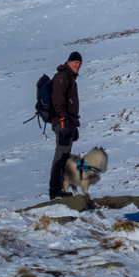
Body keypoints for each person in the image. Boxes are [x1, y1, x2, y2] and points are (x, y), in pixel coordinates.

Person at [48, 51, 82, 199]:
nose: (78, 65)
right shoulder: (62, 77)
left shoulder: (69, 78)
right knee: (60, 157)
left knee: (64, 157)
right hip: (63, 123)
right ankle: (54, 191)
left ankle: (60, 190)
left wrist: (74, 124)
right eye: (75, 62)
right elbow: (59, 101)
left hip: (68, 123)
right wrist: (64, 121)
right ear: (68, 62)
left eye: (80, 63)